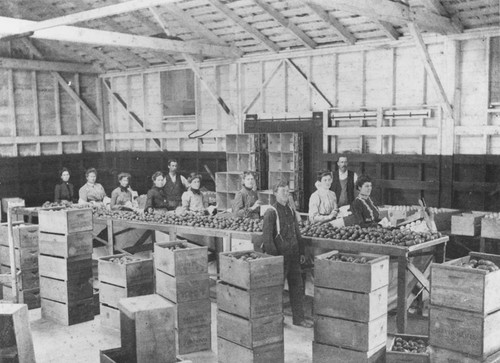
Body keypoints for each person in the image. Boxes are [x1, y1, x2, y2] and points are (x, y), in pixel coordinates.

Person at [261, 181, 313, 328]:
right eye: (283, 191)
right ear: (275, 193)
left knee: (297, 288)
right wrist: (275, 258)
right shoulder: (271, 212)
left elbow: (297, 233)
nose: (286, 194)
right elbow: (267, 239)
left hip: (293, 255)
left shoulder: (290, 210)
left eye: (288, 191)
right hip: (280, 257)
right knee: (276, 290)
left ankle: (299, 319)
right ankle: (276, 320)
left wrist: (301, 251)